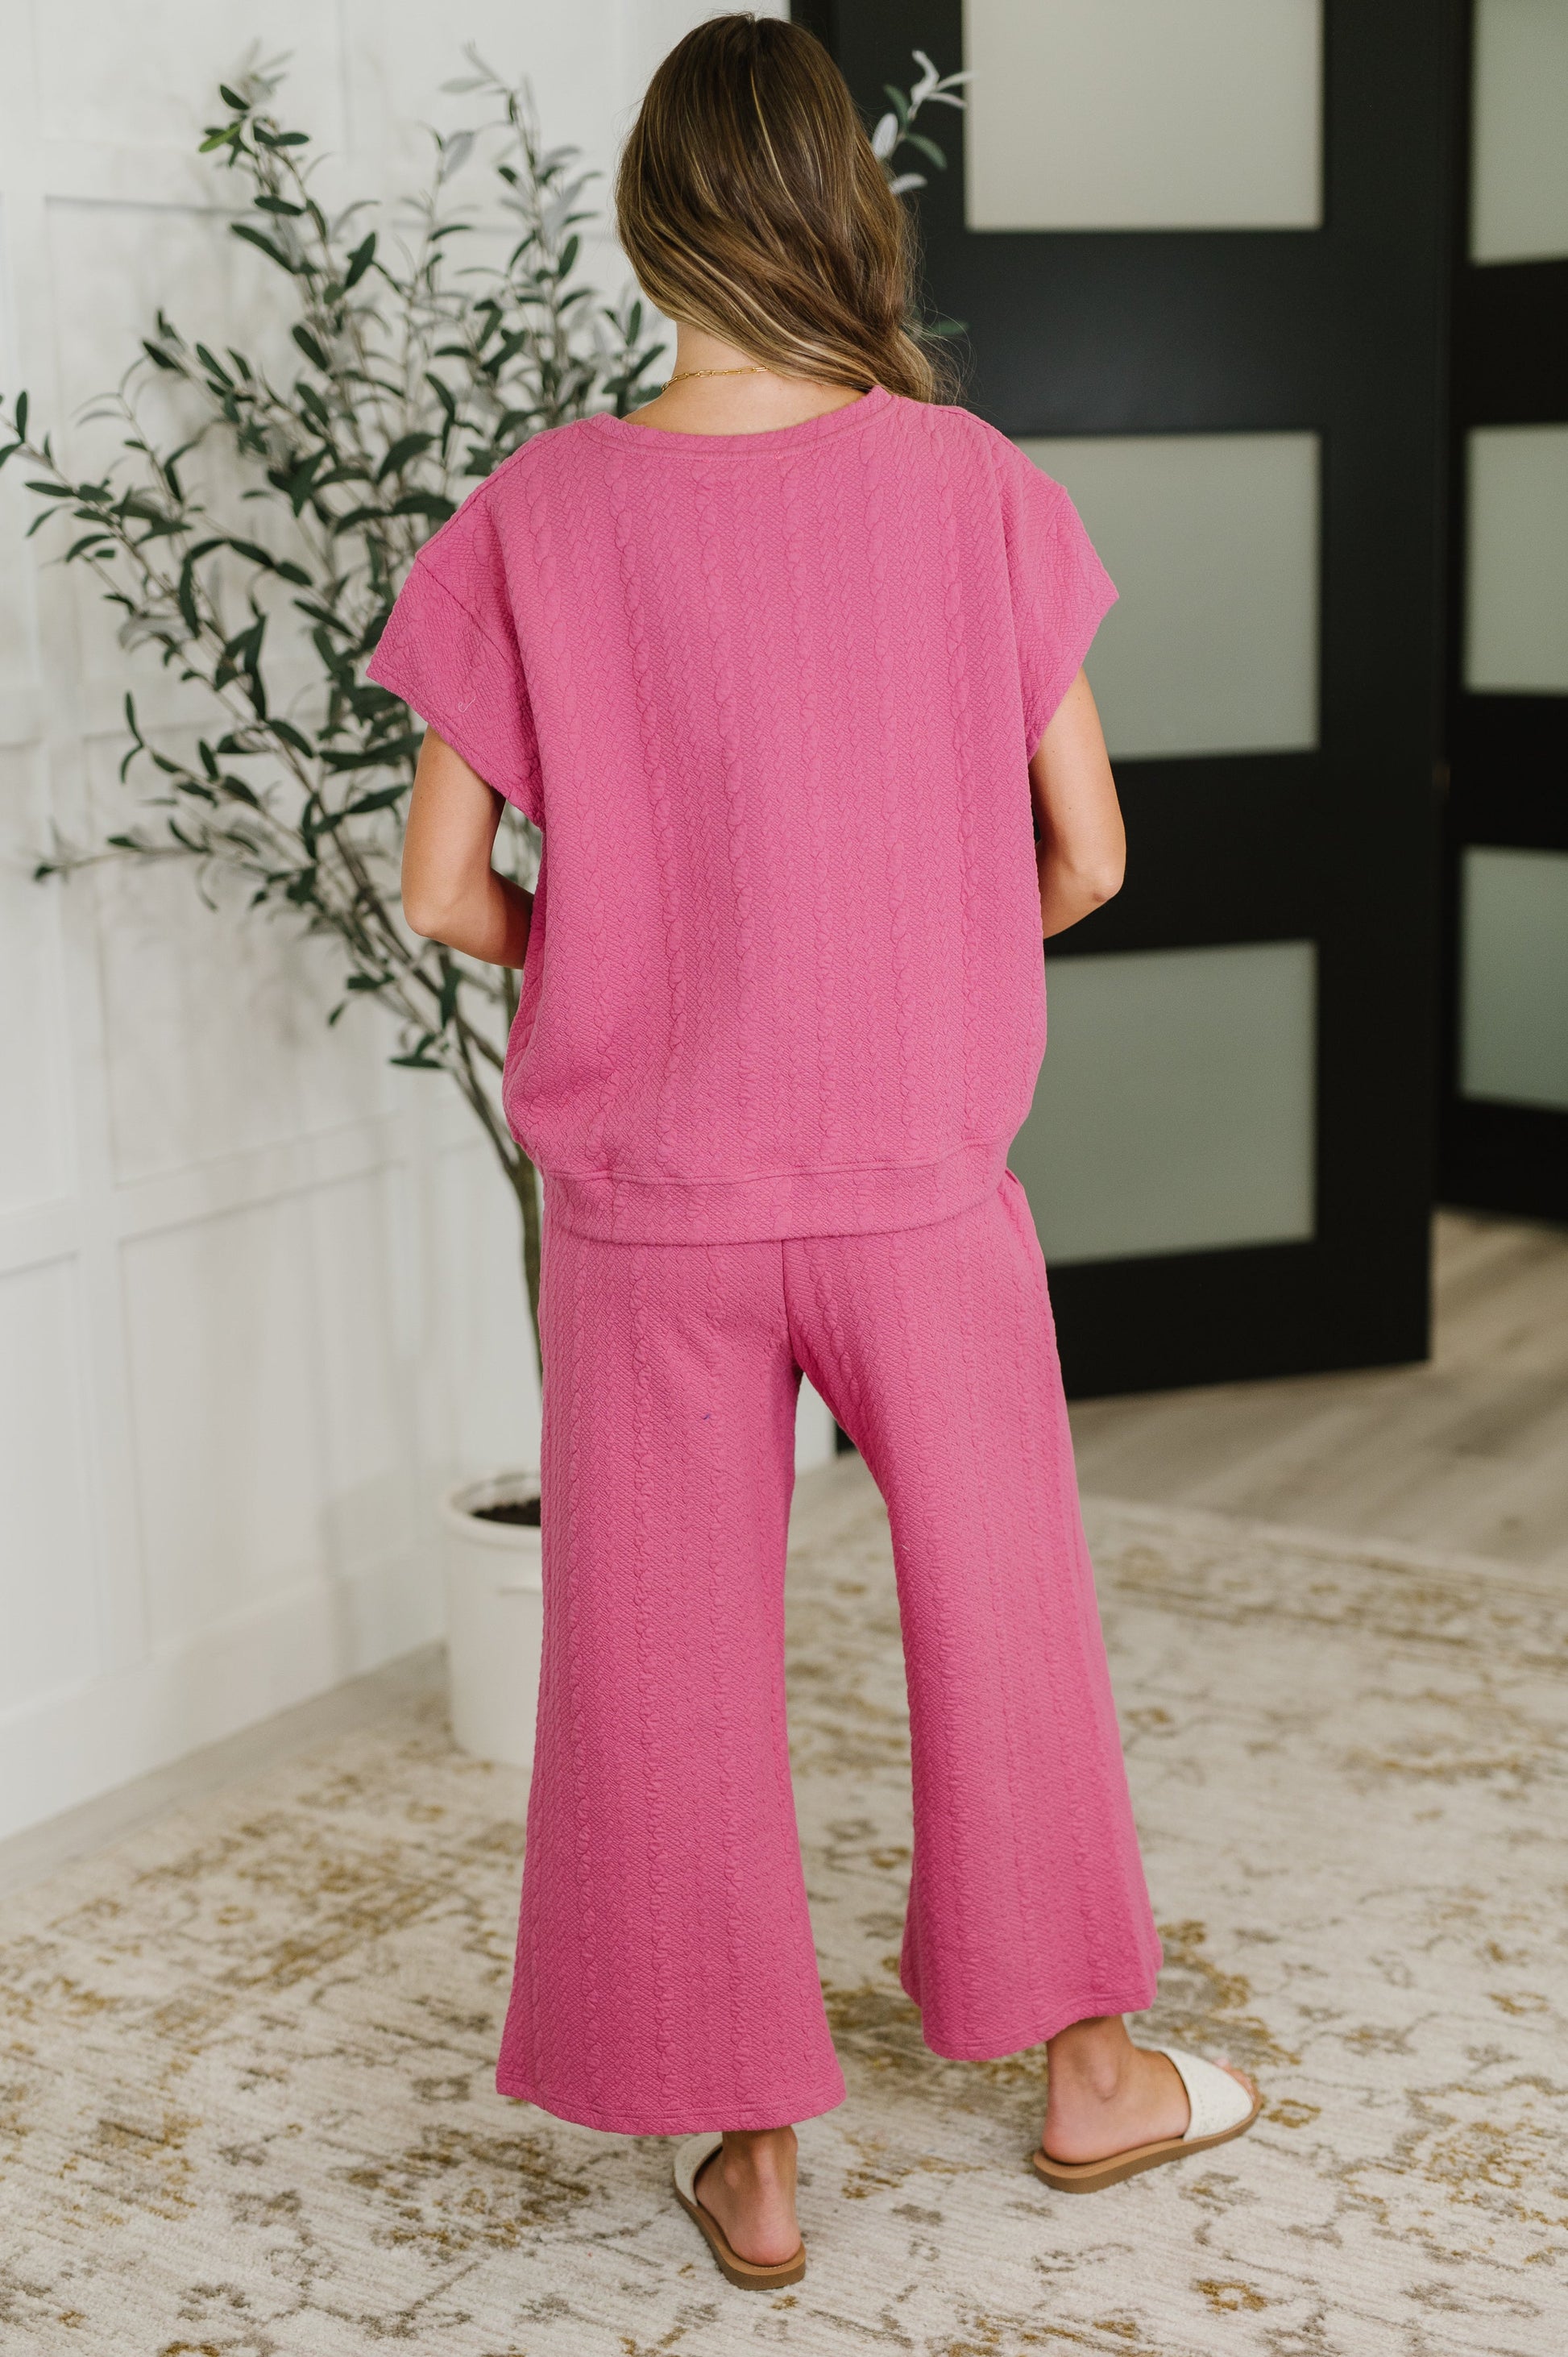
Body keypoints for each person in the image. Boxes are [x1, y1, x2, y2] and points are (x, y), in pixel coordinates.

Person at [367, 10, 1259, 2294]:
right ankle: (1087, 2078)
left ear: (648, 225)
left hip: (650, 1210)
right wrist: (919, 954)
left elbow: (444, 892)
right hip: (914, 1187)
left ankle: (747, 2162)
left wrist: (624, 961)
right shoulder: (968, 483)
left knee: (657, 1662)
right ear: (844, 218)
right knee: (1003, 1613)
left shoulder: (536, 511)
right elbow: (1091, 851)